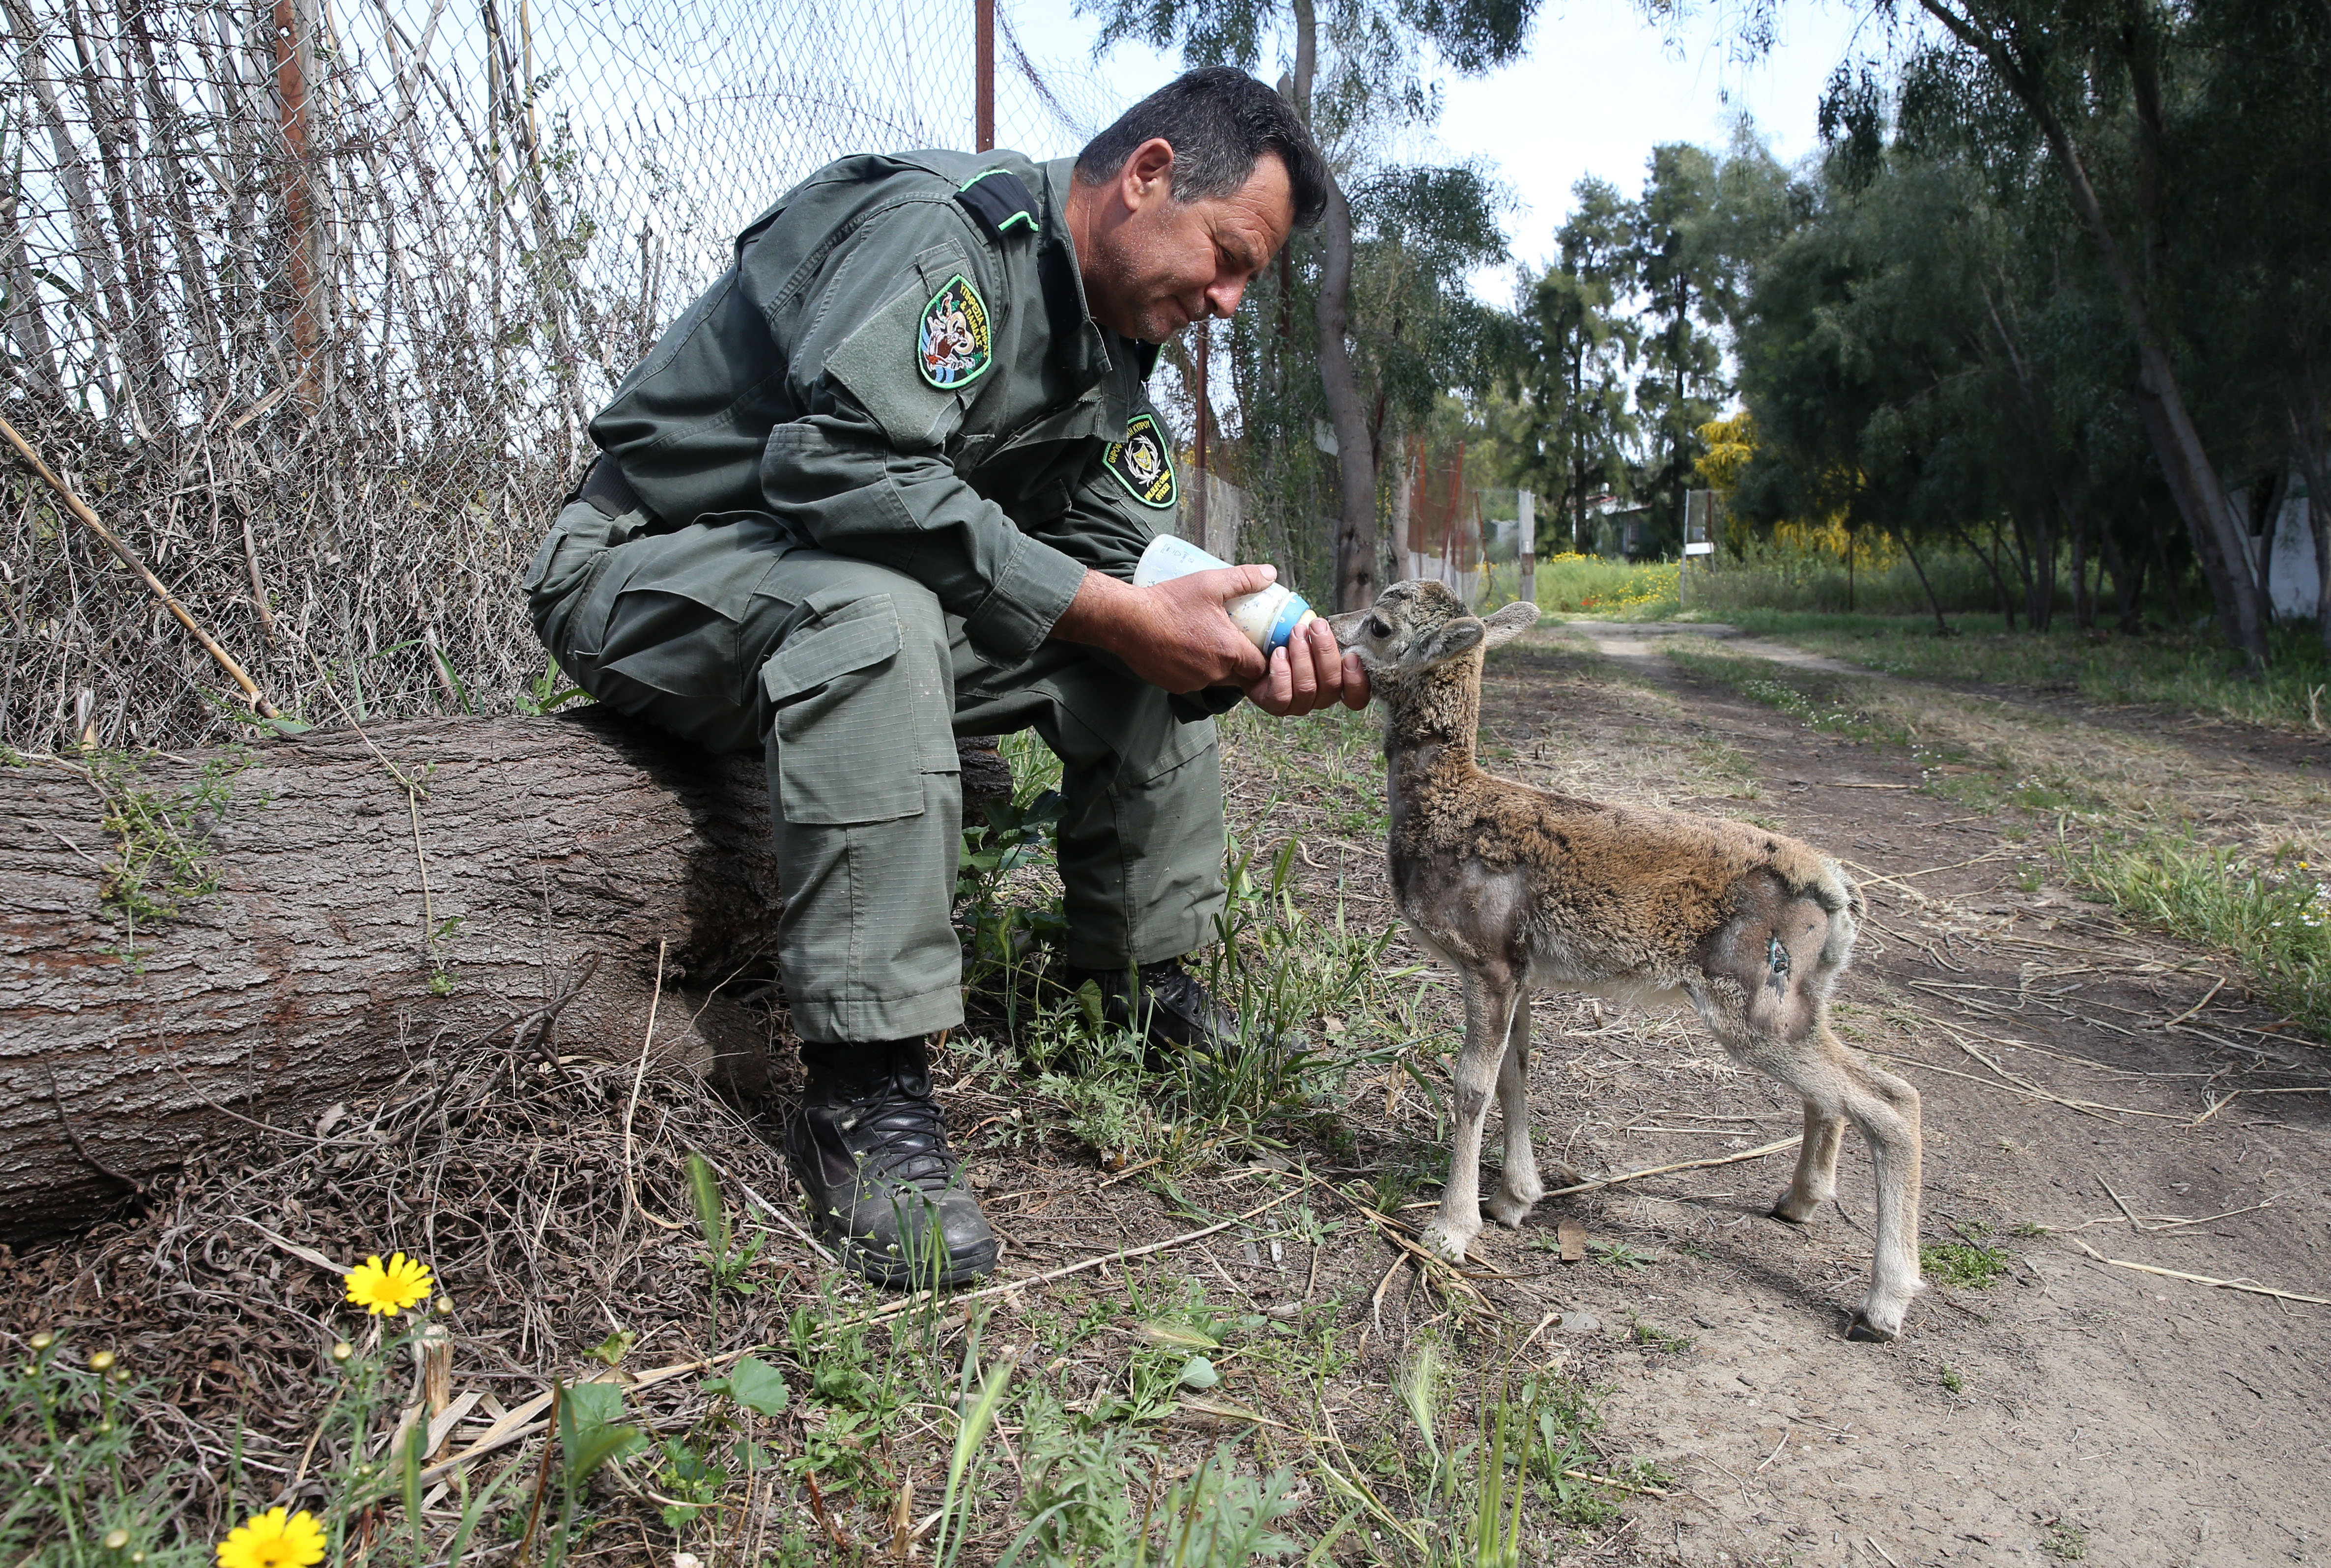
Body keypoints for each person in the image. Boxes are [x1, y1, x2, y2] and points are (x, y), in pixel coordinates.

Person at [523, 67, 1362, 1289]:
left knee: (1125, 635)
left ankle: (1131, 976)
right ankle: (865, 1095)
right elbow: (842, 477)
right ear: (1147, 177)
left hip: (825, 589)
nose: (1231, 302)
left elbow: (1119, 565)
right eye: (1228, 256)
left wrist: (1252, 637)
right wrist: (1111, 610)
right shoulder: (949, 238)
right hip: (654, 562)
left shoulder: (1111, 352)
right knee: (879, 615)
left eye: (1248, 280)